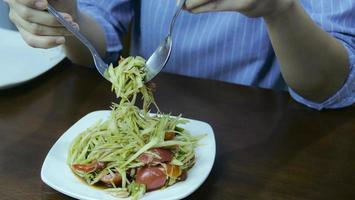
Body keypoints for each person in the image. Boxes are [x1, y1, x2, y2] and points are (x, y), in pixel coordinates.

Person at [4, 0, 355, 110]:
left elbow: (331, 83)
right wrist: (67, 17)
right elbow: (100, 41)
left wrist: (280, 9)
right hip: (152, 115)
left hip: (266, 140)